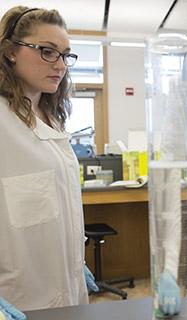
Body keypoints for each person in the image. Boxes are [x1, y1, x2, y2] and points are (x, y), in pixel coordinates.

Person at [0, 6, 99, 319]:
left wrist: (75, 260)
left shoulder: (51, 118)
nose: (60, 65)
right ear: (9, 51)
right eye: (47, 52)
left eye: (65, 55)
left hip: (66, 290)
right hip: (18, 298)